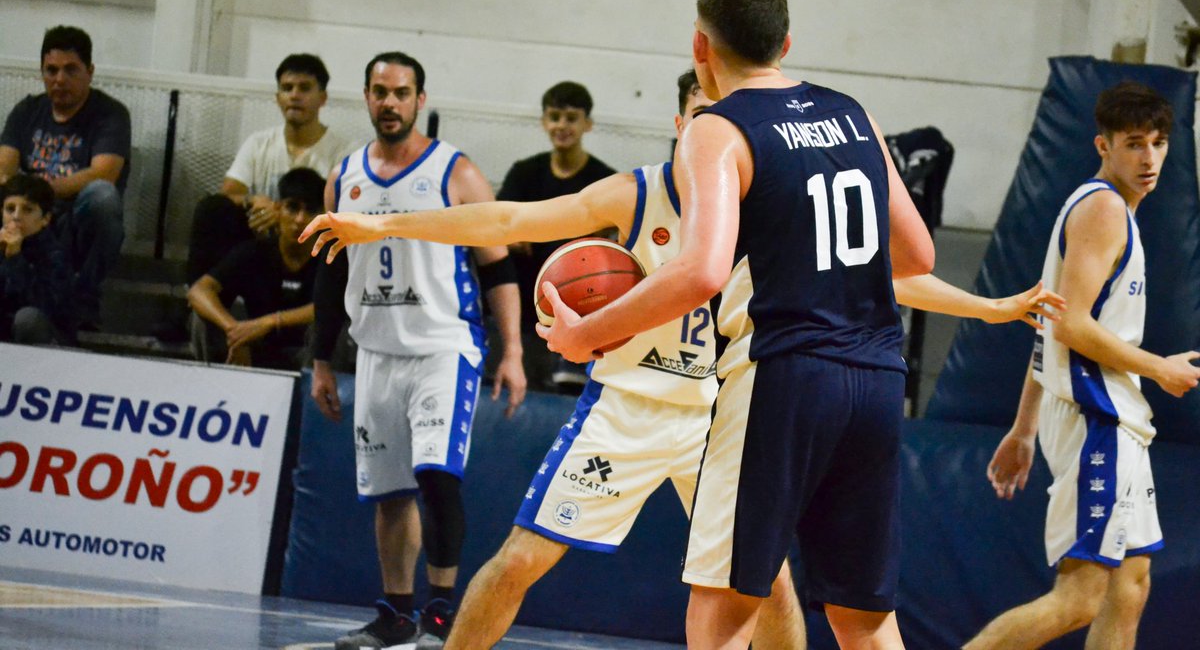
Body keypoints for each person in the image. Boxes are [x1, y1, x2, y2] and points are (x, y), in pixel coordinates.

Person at [302, 69, 1062, 650]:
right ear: (682, 124)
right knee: (520, 560)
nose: (715, 128)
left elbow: (893, 269)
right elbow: (510, 216)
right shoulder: (636, 194)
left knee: (773, 588)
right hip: (628, 410)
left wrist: (989, 307)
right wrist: (385, 223)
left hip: (724, 411)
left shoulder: (768, 199)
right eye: (702, 115)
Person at [538, 0, 935, 650]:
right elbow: (917, 253)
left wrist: (587, 333)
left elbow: (701, 271)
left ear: (701, 45)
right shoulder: (853, 113)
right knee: (864, 620)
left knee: (721, 610)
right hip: (876, 377)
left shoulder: (715, 129)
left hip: (783, 378)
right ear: (785, 43)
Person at [965, 82, 1199, 650]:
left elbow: (1046, 323)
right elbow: (1071, 328)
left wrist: (1023, 429)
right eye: (1134, 144)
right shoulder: (1102, 210)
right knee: (1078, 600)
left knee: (1133, 583)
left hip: (1100, 415)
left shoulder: (1099, 206)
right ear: (1103, 145)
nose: (1148, 159)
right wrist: (1158, 368)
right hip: (1098, 418)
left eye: (1159, 144)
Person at [308, 51, 526, 650]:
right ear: (367, 96)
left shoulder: (455, 172)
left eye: (401, 93)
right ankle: (397, 614)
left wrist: (513, 352)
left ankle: (442, 611)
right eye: (379, 92)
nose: (390, 103)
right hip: (375, 350)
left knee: (435, 475)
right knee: (388, 491)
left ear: (419, 100)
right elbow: (328, 276)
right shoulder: (344, 174)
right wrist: (322, 359)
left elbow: (500, 266)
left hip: (443, 345)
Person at [185, 53, 357, 284]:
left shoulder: (344, 150)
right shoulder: (259, 142)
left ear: (322, 98)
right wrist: (252, 201)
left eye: (304, 88)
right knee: (212, 209)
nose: (295, 95)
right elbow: (228, 193)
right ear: (278, 98)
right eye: (287, 88)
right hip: (264, 245)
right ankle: (197, 298)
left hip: (313, 249)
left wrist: (288, 216)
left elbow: (348, 211)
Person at [0, 25, 129, 326]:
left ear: (90, 71)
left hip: (75, 220)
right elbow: (4, 167)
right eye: (51, 70)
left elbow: (104, 173)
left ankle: (84, 299)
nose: (59, 79)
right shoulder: (27, 110)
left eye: (71, 70)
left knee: (103, 197)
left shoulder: (111, 114)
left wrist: (39, 193)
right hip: (29, 218)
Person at [497, 81, 615, 391]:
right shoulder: (524, 172)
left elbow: (606, 246)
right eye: (554, 117)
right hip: (525, 304)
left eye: (571, 118)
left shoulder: (604, 180)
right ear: (543, 121)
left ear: (587, 124)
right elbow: (502, 231)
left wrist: (530, 231)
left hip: (580, 307)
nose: (561, 125)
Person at [187, 167, 325, 370]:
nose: (300, 220)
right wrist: (233, 331)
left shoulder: (331, 257)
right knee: (200, 319)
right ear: (277, 209)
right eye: (293, 208)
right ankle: (215, 386)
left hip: (306, 356)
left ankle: (315, 399)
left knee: (330, 328)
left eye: (310, 211)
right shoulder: (254, 252)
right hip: (253, 349)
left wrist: (269, 322)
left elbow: (335, 306)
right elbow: (199, 290)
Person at [0, 174, 75, 345]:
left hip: (48, 337)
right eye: (10, 209)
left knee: (27, 318)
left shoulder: (56, 254)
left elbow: (42, 306)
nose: (16, 217)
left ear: (45, 219)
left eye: (27, 209)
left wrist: (14, 259)